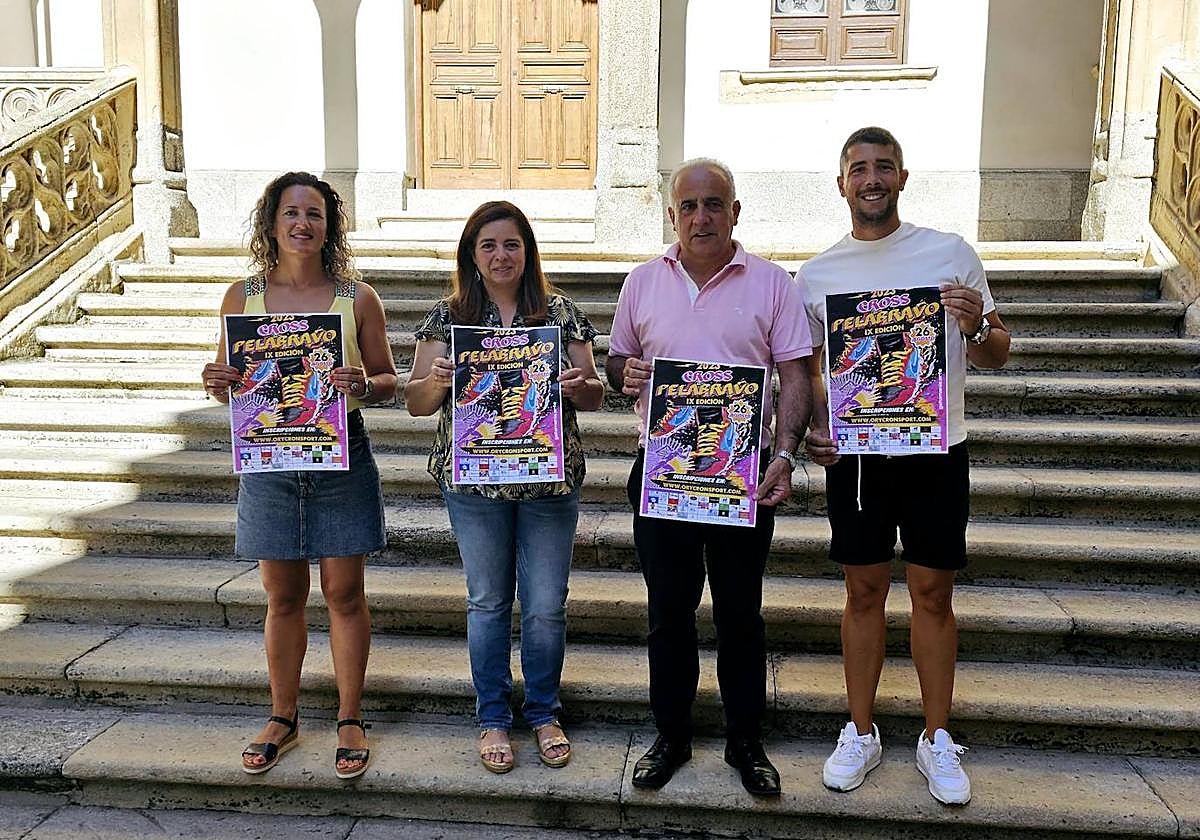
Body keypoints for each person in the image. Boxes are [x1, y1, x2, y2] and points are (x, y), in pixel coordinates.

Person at [797, 127, 1011, 805]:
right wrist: (816, 428)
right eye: (859, 168)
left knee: (933, 594)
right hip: (859, 457)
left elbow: (998, 350)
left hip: (937, 452)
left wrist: (976, 326)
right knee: (862, 591)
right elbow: (809, 372)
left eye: (883, 166)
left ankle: (936, 736)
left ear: (903, 177)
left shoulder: (950, 254)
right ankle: (860, 730)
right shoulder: (817, 275)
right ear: (841, 184)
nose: (872, 178)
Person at [605, 158, 813, 796]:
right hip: (663, 473)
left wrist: (785, 453)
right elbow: (618, 361)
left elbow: (796, 376)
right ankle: (670, 735)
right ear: (672, 215)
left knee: (740, 615)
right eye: (690, 206)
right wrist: (624, 375)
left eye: (714, 204)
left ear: (735, 212)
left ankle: (745, 741)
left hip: (743, 476)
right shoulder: (642, 282)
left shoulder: (773, 284)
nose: (702, 217)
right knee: (668, 614)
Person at [200, 172, 397, 780]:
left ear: (329, 226)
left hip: (341, 456)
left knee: (344, 592)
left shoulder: (356, 298)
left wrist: (364, 384)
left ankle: (349, 717)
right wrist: (216, 380)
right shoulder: (243, 296)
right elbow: (228, 380)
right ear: (272, 222)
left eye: (314, 214)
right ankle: (282, 716)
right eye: (291, 213)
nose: (302, 224)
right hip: (270, 461)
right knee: (282, 596)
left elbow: (388, 379)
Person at [406, 201, 604, 773]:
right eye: (488, 245)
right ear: (471, 254)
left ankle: (543, 712)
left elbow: (595, 393)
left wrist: (578, 385)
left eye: (511, 244)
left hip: (548, 483)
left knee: (544, 606)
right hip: (475, 485)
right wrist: (437, 381)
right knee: (488, 602)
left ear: (528, 251)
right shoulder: (447, 318)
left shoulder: (560, 312)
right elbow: (416, 403)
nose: (500, 256)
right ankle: (493, 716)